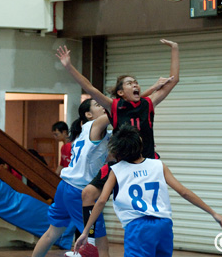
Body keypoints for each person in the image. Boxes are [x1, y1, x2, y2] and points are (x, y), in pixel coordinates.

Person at [56, 39, 180, 254]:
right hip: (121, 164)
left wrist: (175, 49)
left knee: (141, 210)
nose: (135, 85)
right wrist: (68, 66)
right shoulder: (114, 107)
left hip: (145, 162)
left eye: (136, 82)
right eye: (130, 83)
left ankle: (150, 236)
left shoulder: (148, 104)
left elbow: (174, 80)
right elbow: (89, 87)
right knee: (88, 194)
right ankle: (91, 239)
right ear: (120, 92)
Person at [74, 124, 222, 256]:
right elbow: (184, 192)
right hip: (164, 225)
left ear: (118, 151)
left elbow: (101, 201)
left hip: (137, 227)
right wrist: (213, 213)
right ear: (141, 144)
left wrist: (86, 231)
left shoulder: (116, 170)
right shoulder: (158, 164)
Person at [32, 98, 111, 257]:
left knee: (52, 233)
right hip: (79, 193)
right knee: (100, 243)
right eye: (98, 105)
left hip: (65, 187)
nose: (103, 106)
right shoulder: (93, 125)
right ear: (88, 114)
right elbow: (119, 111)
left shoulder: (93, 132)